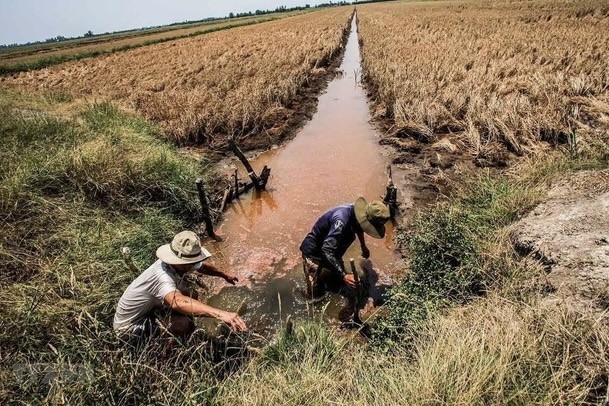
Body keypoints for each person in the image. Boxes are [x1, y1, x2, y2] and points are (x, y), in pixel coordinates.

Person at [113, 231, 247, 340]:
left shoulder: (177, 263)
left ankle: (179, 331)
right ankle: (174, 346)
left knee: (192, 295)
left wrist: (224, 275)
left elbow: (202, 267)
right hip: (129, 328)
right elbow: (177, 301)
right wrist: (220, 314)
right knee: (183, 324)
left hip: (149, 310)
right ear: (177, 261)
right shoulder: (162, 276)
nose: (194, 266)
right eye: (191, 263)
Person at [299, 197, 390, 295]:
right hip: (314, 252)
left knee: (338, 281)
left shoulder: (358, 214)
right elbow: (327, 251)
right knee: (314, 291)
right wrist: (344, 275)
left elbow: (359, 228)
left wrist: (363, 246)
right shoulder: (341, 221)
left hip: (334, 249)